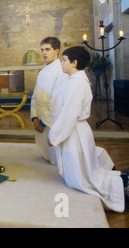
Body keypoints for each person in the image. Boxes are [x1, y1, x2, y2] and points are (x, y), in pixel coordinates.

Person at [48, 46, 126, 213]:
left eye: (64, 60)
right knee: (83, 173)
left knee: (81, 180)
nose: (61, 63)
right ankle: (122, 181)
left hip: (74, 132)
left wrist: (54, 135)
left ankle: (122, 186)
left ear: (74, 62)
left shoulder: (76, 83)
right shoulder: (75, 79)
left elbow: (69, 114)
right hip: (76, 130)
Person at [30, 37, 67, 164]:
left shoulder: (61, 71)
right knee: (46, 155)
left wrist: (42, 122)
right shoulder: (42, 71)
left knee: (56, 158)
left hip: (50, 120)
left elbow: (56, 102)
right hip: (39, 117)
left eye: (47, 49)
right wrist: (34, 117)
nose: (44, 53)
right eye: (42, 50)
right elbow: (35, 96)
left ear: (57, 51)